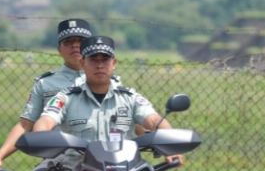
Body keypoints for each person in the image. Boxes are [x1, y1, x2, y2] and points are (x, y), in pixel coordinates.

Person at [0, 18, 92, 171]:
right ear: (59, 49)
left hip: (97, 159)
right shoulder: (45, 83)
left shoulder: (108, 83)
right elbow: (26, 124)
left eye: (81, 41)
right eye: (68, 42)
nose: (75, 45)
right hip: (58, 162)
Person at [32, 35, 173, 150]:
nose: (99, 65)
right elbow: (45, 121)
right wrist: (41, 136)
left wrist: (170, 145)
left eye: (105, 60)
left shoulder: (130, 98)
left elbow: (153, 120)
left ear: (114, 63)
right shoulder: (65, 98)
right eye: (93, 59)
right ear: (82, 64)